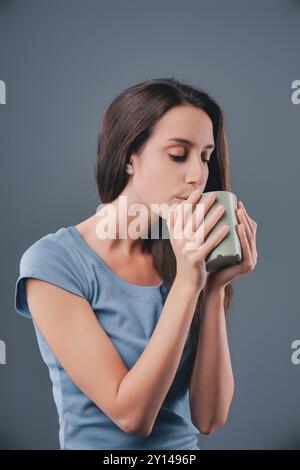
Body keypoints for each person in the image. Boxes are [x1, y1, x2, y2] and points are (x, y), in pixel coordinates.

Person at [14, 77, 258, 450]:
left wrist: (212, 289)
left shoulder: (182, 258)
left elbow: (209, 418)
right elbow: (132, 416)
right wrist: (188, 285)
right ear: (130, 157)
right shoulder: (54, 263)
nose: (198, 176)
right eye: (178, 154)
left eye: (205, 157)